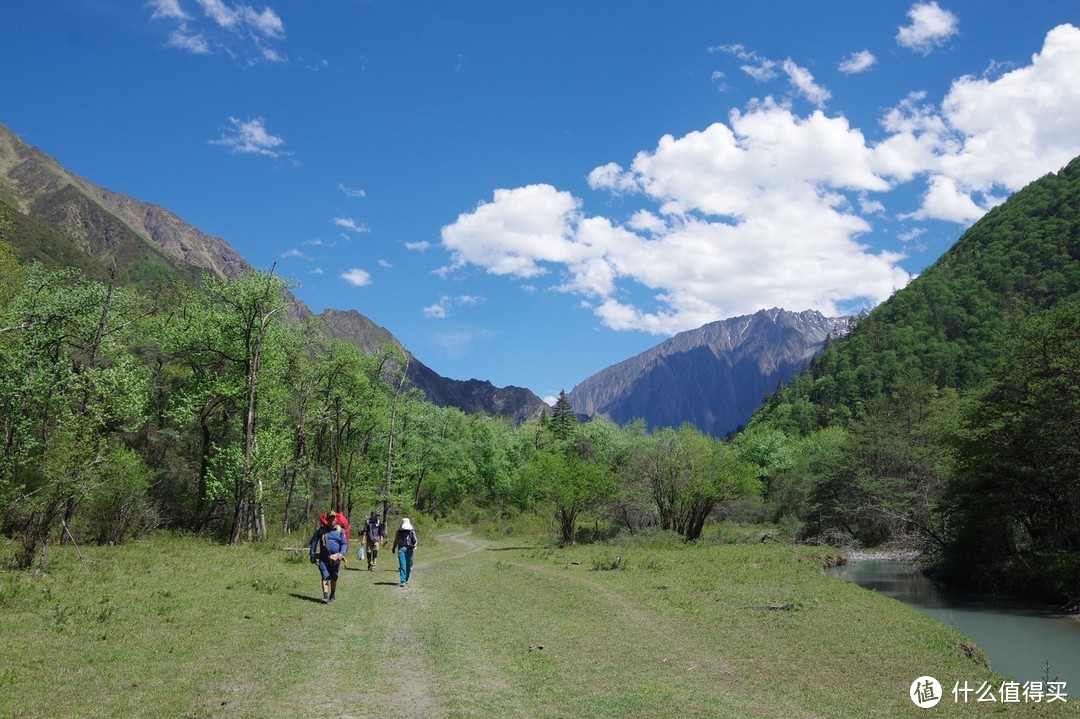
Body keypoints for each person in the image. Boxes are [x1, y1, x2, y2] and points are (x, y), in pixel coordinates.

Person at [310, 511, 348, 603]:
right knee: (325, 576)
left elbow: (344, 544)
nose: (332, 520)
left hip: (336, 559)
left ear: (336, 519)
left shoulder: (340, 531)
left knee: (334, 577)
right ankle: (325, 596)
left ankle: (333, 594)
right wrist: (312, 554)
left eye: (334, 518)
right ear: (327, 519)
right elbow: (314, 542)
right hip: (324, 558)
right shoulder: (321, 531)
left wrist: (341, 554)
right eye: (330, 518)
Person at [391, 517, 418, 587]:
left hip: (409, 550)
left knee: (408, 565)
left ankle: (406, 578)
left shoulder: (411, 532)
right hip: (401, 550)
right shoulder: (398, 532)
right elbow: (396, 541)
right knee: (402, 565)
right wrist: (394, 548)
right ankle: (402, 580)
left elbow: (415, 541)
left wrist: (413, 546)